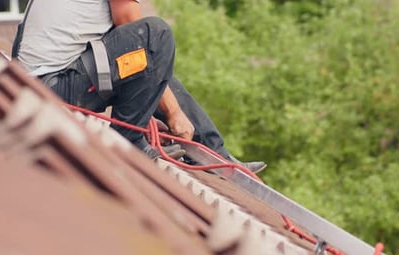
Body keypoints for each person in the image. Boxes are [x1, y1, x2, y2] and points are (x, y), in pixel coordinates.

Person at [14, 0, 266, 173]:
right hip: (55, 86)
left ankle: (216, 154)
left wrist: (145, 106)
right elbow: (134, 31)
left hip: (46, 83)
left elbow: (145, 67)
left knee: (155, 68)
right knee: (156, 35)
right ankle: (128, 138)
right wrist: (172, 114)